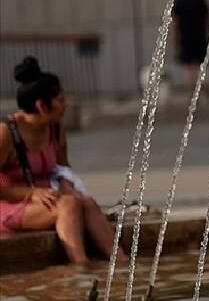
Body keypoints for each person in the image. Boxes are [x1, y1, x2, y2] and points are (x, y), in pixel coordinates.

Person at [0, 57, 126, 264]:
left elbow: (62, 168)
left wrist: (66, 184)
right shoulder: (6, 133)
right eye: (60, 99)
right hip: (9, 206)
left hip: (49, 199)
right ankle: (80, 268)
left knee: (86, 202)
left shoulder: (56, 128)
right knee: (68, 205)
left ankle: (121, 262)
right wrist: (32, 193)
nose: (65, 105)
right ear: (41, 105)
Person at [171, 0, 209, 98]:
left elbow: (175, 23)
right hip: (200, 37)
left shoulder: (178, 3)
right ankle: (205, 83)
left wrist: (174, 39)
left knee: (188, 67)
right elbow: (208, 20)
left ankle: (192, 91)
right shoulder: (200, 0)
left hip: (185, 38)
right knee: (201, 64)